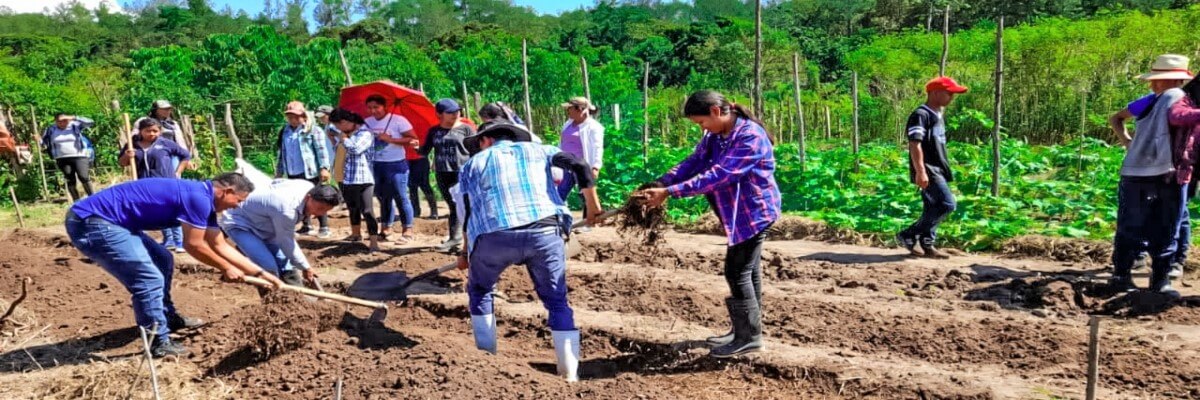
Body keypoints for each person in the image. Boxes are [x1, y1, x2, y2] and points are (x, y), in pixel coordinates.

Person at [64, 173, 285, 357]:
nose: (237, 207)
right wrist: (225, 268)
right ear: (225, 192)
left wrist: (262, 273)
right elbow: (194, 245)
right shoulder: (197, 197)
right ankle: (158, 342)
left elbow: (219, 244)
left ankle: (166, 316)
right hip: (92, 222)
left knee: (163, 259)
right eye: (238, 200)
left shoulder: (205, 201)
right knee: (148, 278)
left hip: (114, 223)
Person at [636, 90, 779, 359]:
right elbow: (695, 162)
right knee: (748, 272)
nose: (701, 128)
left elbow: (719, 175)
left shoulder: (750, 137)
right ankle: (746, 331)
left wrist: (670, 193)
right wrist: (661, 182)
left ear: (716, 111)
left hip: (754, 212)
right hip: (736, 213)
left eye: (701, 122)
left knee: (736, 272)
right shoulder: (715, 136)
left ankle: (749, 337)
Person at [457, 122, 602, 382]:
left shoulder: (471, 165)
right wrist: (592, 207)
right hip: (544, 232)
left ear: (486, 140)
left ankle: (486, 362)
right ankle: (569, 375)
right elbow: (580, 164)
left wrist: (465, 253)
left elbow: (466, 213)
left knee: (480, 291)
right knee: (557, 301)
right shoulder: (541, 151)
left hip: (493, 235)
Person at [1110, 54, 1195, 297]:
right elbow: (1180, 119)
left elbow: (1116, 118)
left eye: (1156, 80)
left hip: (1137, 171)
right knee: (1168, 226)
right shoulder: (1180, 98)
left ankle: (1121, 276)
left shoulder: (1150, 101)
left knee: (1131, 225)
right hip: (1168, 172)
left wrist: (1127, 142)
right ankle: (1160, 281)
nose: (1153, 84)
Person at [895, 77, 969, 259]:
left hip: (938, 168)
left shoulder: (938, 113)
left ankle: (927, 244)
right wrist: (920, 171)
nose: (952, 97)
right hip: (928, 169)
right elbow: (914, 144)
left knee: (932, 207)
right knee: (947, 204)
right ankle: (908, 234)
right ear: (935, 93)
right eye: (949, 93)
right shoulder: (921, 114)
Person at [221, 180, 342, 286]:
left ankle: (299, 299)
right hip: (240, 223)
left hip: (267, 224)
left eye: (326, 211)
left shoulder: (306, 185)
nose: (320, 213)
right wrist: (306, 267)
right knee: (268, 266)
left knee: (286, 264)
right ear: (308, 197)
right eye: (320, 208)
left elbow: (276, 182)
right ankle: (272, 304)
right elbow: (286, 242)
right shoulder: (286, 209)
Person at [119, 118, 193, 253]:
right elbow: (123, 163)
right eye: (148, 131)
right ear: (141, 131)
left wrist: (178, 172)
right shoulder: (132, 145)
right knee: (158, 211)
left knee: (172, 210)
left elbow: (185, 155)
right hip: (144, 185)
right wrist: (127, 155)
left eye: (155, 131)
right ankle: (168, 240)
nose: (152, 133)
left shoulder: (165, 143)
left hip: (165, 183)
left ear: (160, 132)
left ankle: (179, 241)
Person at [419, 99, 475, 252]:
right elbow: (425, 151)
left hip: (462, 173)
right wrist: (414, 146)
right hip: (443, 172)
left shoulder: (467, 130)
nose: (455, 114)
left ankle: (467, 240)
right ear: (439, 114)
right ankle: (454, 239)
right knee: (453, 206)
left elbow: (476, 151)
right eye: (450, 112)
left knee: (464, 206)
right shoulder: (434, 131)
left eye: (457, 111)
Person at [363, 94, 419, 244]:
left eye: (376, 107)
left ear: (384, 106)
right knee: (383, 197)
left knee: (401, 196)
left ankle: (407, 230)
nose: (373, 110)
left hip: (395, 164)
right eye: (369, 107)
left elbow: (413, 139)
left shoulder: (398, 120)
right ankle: (386, 228)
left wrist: (391, 139)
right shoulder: (367, 122)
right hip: (376, 164)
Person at [275, 101, 332, 238]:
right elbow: (282, 152)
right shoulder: (285, 131)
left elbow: (321, 150)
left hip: (309, 170)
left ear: (303, 115)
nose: (293, 119)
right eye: (290, 116)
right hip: (292, 170)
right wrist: (279, 170)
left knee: (317, 197)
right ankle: (306, 225)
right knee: (299, 199)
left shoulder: (313, 129)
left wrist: (324, 168)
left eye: (296, 116)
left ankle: (324, 226)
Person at [330, 107, 381, 252]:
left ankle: (373, 242)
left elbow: (355, 149)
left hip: (363, 178)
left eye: (339, 125)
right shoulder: (348, 134)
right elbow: (339, 151)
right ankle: (356, 234)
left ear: (345, 122)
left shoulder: (365, 133)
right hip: (348, 178)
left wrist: (344, 139)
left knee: (367, 210)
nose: (338, 128)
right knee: (353, 208)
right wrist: (335, 139)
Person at [557, 97, 605, 230]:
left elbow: (597, 147)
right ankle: (558, 221)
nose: (568, 111)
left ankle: (589, 223)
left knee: (586, 195)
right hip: (565, 165)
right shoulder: (568, 124)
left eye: (570, 108)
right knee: (559, 192)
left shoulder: (594, 127)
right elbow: (562, 142)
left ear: (581, 110)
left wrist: (595, 166)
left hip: (582, 166)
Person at [41, 113, 95, 200]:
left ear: (69, 120)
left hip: (79, 155)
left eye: (64, 121)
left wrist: (73, 117)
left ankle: (93, 198)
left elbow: (90, 122)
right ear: (55, 121)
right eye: (59, 122)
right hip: (62, 158)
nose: (62, 123)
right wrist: (38, 140)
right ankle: (76, 201)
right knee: (70, 179)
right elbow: (44, 143)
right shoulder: (51, 129)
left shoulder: (75, 126)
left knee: (83, 176)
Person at [316, 105, 340, 182]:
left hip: (336, 158)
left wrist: (332, 138)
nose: (320, 119)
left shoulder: (334, 126)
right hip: (330, 158)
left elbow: (341, 142)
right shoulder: (327, 126)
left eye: (323, 117)